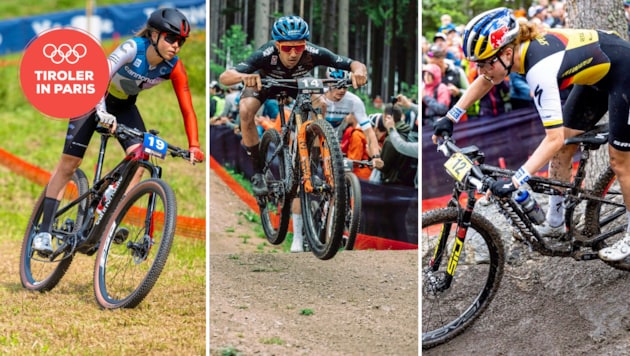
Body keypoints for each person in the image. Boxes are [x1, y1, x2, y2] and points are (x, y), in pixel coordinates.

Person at [431, 7, 630, 261]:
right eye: (478, 65)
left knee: (620, 160)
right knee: (564, 148)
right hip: (597, 75)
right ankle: (556, 223)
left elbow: (553, 137)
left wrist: (516, 181)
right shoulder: (512, 54)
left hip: (625, 73)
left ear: (506, 53)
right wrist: (451, 116)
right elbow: (487, 79)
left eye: (485, 64)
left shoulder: (539, 70)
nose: (481, 71)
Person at [32, 8, 204, 254]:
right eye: (171, 38)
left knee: (141, 158)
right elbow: (101, 75)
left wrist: (194, 146)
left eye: (181, 41)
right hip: (91, 99)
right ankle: (45, 231)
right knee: (70, 163)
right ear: (154, 35)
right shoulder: (133, 48)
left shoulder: (173, 67)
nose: (176, 45)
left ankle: (107, 214)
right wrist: (100, 111)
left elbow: (187, 109)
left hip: (123, 107)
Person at [219, 15, 367, 253]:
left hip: (298, 83)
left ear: (305, 43)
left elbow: (353, 64)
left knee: (320, 105)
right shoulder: (265, 53)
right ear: (277, 45)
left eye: (298, 47)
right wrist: (243, 77)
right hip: (265, 83)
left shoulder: (313, 52)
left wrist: (359, 71)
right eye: (287, 48)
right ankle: (258, 171)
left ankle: (314, 156)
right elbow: (224, 77)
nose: (293, 53)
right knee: (246, 110)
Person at [378, 104, 416, 187]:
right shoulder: (408, 132)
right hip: (409, 183)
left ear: (387, 117)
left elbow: (383, 167)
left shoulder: (390, 140)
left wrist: (374, 156)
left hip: (392, 185)